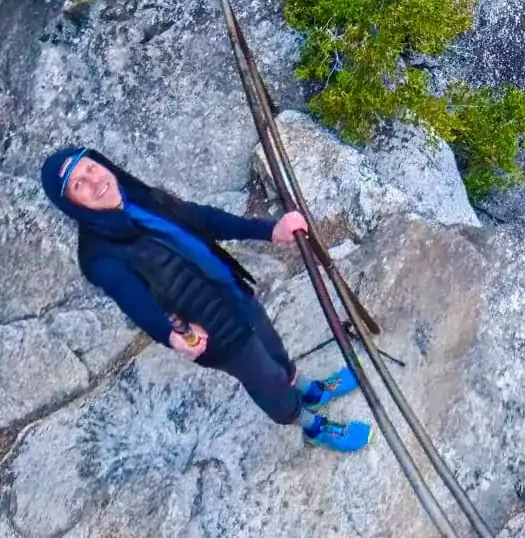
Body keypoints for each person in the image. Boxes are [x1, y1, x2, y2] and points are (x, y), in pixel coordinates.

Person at [40, 145, 371, 453]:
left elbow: (202, 219)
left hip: (232, 292)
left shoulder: (139, 197)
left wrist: (269, 230)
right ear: (71, 204)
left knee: (272, 346)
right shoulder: (99, 256)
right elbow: (133, 300)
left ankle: (306, 387)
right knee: (264, 379)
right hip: (212, 331)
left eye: (90, 168)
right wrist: (171, 336)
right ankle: (310, 424)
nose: (94, 180)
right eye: (78, 185)